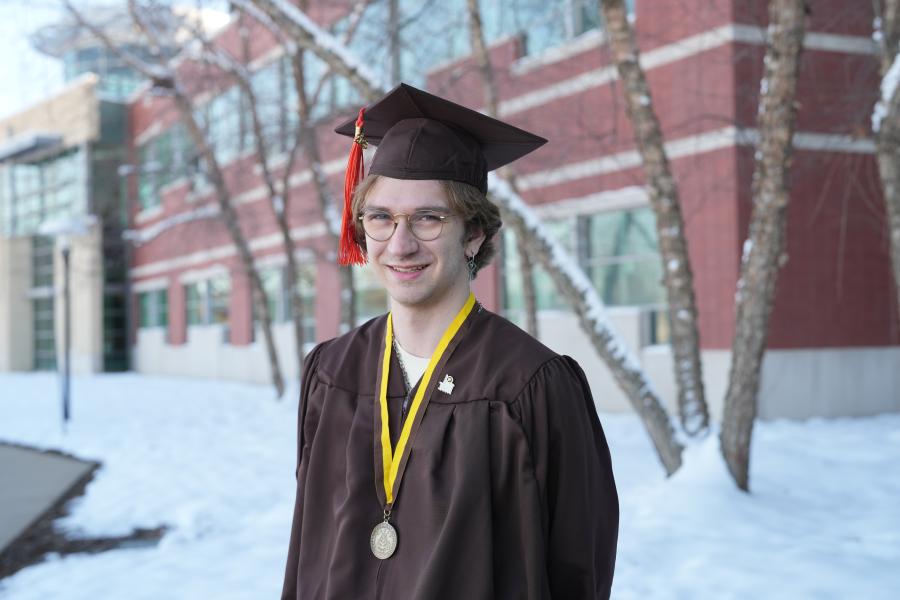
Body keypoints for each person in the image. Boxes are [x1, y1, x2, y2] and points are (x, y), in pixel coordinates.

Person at [281, 83, 618, 600]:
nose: (401, 243)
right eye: (381, 218)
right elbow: (307, 549)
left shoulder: (531, 386)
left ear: (475, 233)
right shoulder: (331, 371)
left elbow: (579, 571)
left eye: (428, 218)